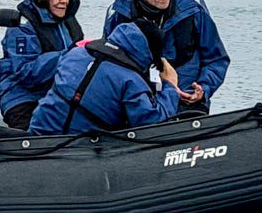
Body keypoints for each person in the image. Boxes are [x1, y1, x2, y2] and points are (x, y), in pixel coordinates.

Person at [102, 0, 230, 115]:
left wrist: (203, 89)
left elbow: (217, 59)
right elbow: (107, 65)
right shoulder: (118, 15)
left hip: (187, 104)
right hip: (139, 108)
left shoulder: (194, 11)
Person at [29, 20, 181, 134]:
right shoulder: (131, 81)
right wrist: (170, 88)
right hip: (80, 150)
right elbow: (151, 124)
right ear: (149, 53)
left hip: (39, 135)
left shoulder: (75, 54)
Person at [0, 0, 84, 131]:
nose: (63, 0)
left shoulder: (68, 22)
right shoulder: (21, 27)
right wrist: (69, 56)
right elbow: (26, 72)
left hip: (58, 95)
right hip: (23, 98)